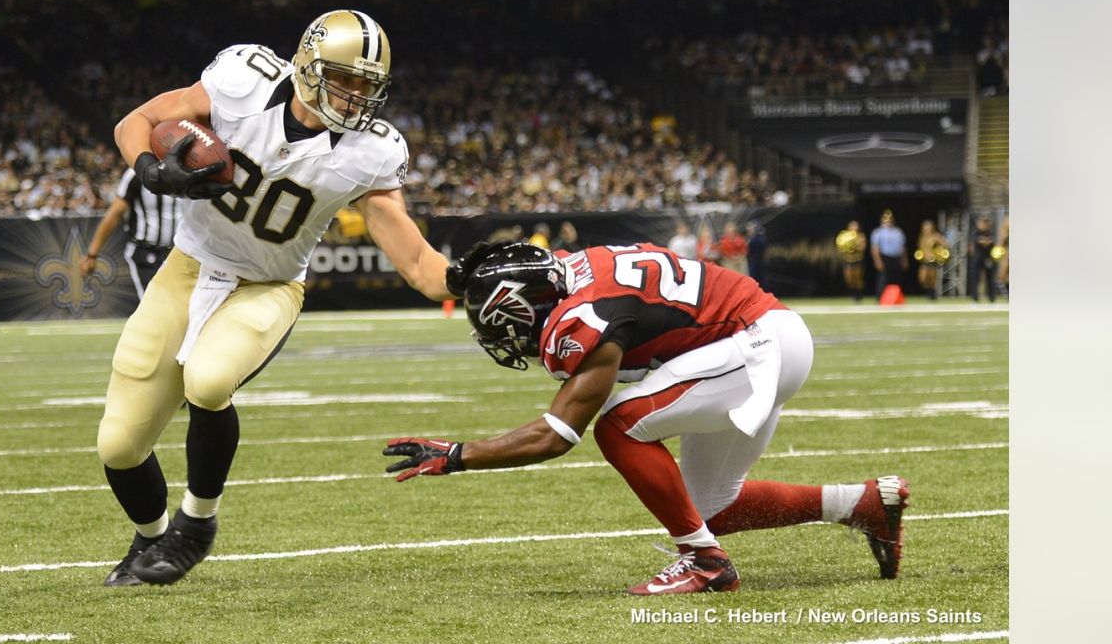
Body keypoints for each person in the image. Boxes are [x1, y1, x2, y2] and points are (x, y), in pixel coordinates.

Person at [97, 10, 455, 587]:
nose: (359, 95)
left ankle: (197, 525)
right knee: (118, 445)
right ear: (309, 67)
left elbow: (417, 262)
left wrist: (462, 281)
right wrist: (147, 168)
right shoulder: (243, 80)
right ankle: (153, 538)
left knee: (209, 380)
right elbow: (136, 122)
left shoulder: (371, 150)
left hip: (269, 285)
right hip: (186, 269)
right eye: (348, 78)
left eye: (370, 84)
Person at [386, 242, 909, 595]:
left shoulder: (582, 318)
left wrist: (458, 455)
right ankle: (862, 504)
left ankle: (705, 564)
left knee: (617, 425)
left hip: (754, 344)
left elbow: (556, 435)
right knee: (708, 507)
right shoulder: (572, 268)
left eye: (496, 322)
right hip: (765, 337)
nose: (499, 336)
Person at [82, 168, 182, 298]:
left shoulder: (188, 167)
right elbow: (115, 214)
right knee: (154, 305)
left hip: (181, 252)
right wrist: (92, 254)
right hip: (147, 252)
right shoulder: (138, 173)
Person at [870, 210, 907, 299]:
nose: (888, 222)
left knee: (896, 278)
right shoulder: (878, 232)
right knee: (883, 278)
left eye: (890, 220)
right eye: (886, 220)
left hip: (896, 257)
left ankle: (897, 297)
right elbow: (875, 248)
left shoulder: (898, 232)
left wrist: (904, 260)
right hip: (884, 257)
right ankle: (881, 297)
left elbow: (903, 247)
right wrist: (878, 260)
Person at [914, 219, 949, 301]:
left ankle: (932, 295)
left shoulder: (935, 236)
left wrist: (938, 252)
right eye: (925, 228)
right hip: (924, 260)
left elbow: (945, 244)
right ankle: (928, 292)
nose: (927, 229)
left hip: (932, 260)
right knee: (922, 278)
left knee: (932, 278)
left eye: (928, 228)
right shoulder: (922, 237)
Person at [967, 215, 999, 302]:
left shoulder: (991, 232)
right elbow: (977, 243)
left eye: (986, 222)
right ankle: (975, 297)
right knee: (975, 278)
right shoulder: (975, 233)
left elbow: (992, 243)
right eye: (983, 222)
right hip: (977, 259)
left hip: (988, 258)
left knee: (990, 278)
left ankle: (992, 297)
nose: (984, 224)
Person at [835, 220, 867, 302]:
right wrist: (845, 246)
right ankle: (853, 293)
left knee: (858, 279)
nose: (854, 228)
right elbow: (840, 248)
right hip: (848, 260)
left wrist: (854, 245)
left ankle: (859, 295)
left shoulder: (861, 236)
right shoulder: (845, 236)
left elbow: (862, 248)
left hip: (857, 260)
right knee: (849, 279)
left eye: (855, 226)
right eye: (852, 226)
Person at [744, 221, 767, 290]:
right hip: (751, 260)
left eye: (751, 228)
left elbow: (762, 245)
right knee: (752, 278)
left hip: (759, 260)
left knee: (761, 278)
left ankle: (763, 293)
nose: (749, 230)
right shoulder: (748, 238)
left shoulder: (759, 237)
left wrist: (751, 241)